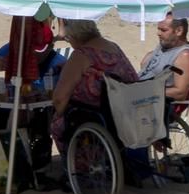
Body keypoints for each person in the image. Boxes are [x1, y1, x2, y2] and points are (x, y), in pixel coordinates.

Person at [51, 19, 138, 147]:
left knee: (57, 125)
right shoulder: (113, 47)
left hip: (97, 116)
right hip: (125, 110)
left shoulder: (81, 55)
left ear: (75, 36)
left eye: (69, 38)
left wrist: (57, 113)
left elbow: (59, 99)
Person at [139, 14, 189, 101]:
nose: (158, 33)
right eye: (158, 29)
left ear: (179, 31)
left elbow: (180, 93)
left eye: (163, 30)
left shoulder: (184, 56)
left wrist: (142, 92)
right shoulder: (165, 46)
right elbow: (144, 63)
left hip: (152, 105)